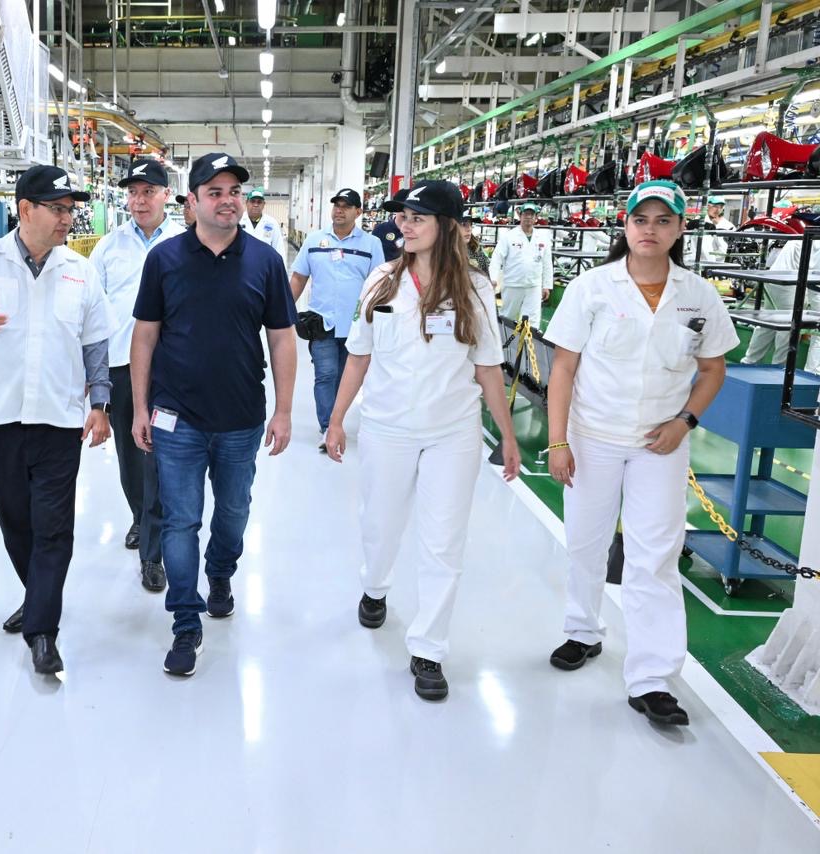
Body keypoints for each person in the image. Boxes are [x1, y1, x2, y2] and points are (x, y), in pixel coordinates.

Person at [543, 180, 739, 726]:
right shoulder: (592, 287)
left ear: (680, 229)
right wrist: (558, 441)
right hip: (593, 437)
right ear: (625, 226)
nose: (650, 229)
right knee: (586, 542)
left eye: (662, 220)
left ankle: (652, 678)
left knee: (655, 556)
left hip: (661, 444)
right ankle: (583, 630)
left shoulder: (698, 295)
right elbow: (563, 367)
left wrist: (685, 421)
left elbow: (713, 369)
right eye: (640, 219)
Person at [324, 180, 520, 701]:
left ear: (447, 226)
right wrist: (337, 419)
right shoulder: (381, 281)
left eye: (417, 218)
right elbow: (359, 355)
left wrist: (507, 435)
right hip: (387, 426)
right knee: (380, 524)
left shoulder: (474, 288)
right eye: (403, 217)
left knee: (443, 542)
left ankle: (429, 649)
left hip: (452, 432)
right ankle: (375, 586)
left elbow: (488, 366)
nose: (404, 226)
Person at [0, 164, 113, 676]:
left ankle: (43, 631)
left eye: (70, 209)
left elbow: (96, 341)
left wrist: (100, 403)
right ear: (25, 210)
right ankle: (38, 597)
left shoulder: (80, 270)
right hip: (0, 416)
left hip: (59, 417)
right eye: (58, 209)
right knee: (16, 521)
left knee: (54, 527)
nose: (67, 219)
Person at [130, 152, 297, 677]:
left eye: (235, 192)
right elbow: (145, 336)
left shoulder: (265, 261)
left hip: (241, 418)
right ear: (194, 201)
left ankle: (220, 571)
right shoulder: (164, 259)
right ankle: (186, 620)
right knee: (180, 520)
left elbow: (282, 338)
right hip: (175, 417)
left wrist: (284, 410)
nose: (228, 201)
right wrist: (138, 407)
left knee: (233, 512)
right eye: (216, 192)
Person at [89, 159, 185, 592]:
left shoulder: (185, 243)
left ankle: (153, 544)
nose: (139, 200)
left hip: (171, 367)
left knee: (162, 452)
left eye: (148, 192)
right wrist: (93, 377)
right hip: (122, 366)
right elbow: (92, 314)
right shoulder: (108, 248)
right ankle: (141, 516)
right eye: (133, 193)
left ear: (166, 195)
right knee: (131, 453)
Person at [290, 188, 383, 447]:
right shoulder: (315, 240)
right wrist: (283, 311)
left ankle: (336, 421)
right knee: (326, 374)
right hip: (322, 322)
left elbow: (379, 285)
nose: (339, 210)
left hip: (356, 325)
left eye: (346, 206)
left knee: (345, 377)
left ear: (358, 212)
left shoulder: (371, 245)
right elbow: (299, 277)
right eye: (337, 205)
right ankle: (328, 427)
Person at [741, 234, 820, 366]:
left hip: (774, 278)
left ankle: (748, 362)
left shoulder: (803, 233)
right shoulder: (815, 238)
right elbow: (814, 276)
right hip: (789, 283)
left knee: (767, 323)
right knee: (788, 329)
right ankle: (779, 369)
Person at [489, 201, 553, 329]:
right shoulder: (509, 236)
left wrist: (547, 285)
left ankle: (528, 342)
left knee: (532, 322)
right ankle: (503, 340)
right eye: (525, 214)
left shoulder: (542, 237)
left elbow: (547, 263)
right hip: (513, 284)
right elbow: (497, 258)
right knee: (507, 317)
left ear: (536, 217)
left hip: (533, 285)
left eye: (531, 214)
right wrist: (493, 278)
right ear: (520, 215)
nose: (528, 217)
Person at [240, 187, 286, 260]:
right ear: (246, 203)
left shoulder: (272, 223)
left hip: (265, 264)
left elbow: (279, 248)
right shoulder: (238, 221)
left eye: (259, 202)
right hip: (242, 264)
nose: (256, 205)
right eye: (252, 201)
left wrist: (282, 266)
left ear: (264, 204)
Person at [373, 188, 408, 263]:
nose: (405, 211)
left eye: (410, 207)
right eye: (401, 207)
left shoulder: (419, 231)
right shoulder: (380, 230)